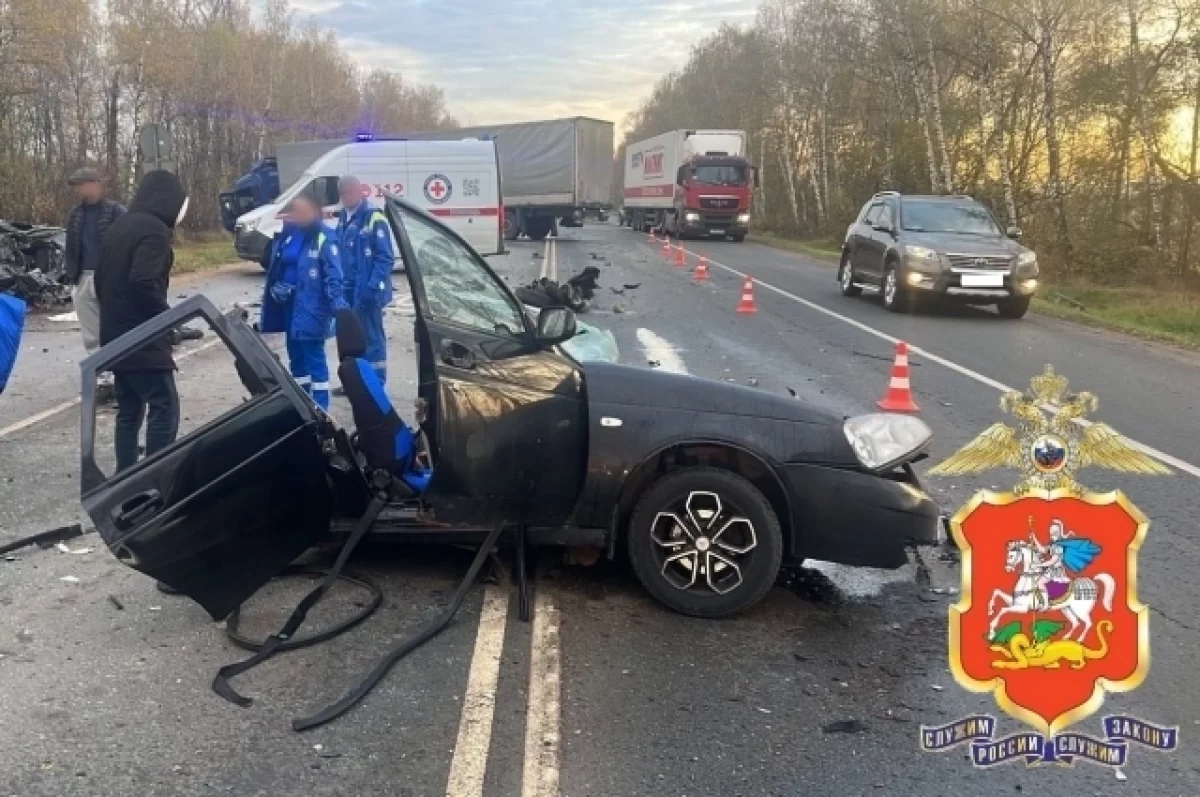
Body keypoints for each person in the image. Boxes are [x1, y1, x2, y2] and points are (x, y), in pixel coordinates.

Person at [96, 169, 188, 473]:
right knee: (164, 405)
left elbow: (100, 280)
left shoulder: (119, 227)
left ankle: (126, 476)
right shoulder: (154, 232)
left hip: (115, 336)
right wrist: (167, 320)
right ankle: (154, 477)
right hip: (143, 337)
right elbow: (143, 280)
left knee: (129, 410)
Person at [261, 193, 348, 409]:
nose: (297, 214)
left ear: (314, 211)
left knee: (314, 358)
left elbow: (333, 276)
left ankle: (321, 409)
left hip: (312, 308)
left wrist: (340, 308)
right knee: (296, 359)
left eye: (303, 210)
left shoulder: (324, 237)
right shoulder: (290, 234)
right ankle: (302, 404)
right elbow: (278, 265)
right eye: (295, 210)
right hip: (290, 306)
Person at [64, 167, 125, 392]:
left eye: (81, 184)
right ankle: (102, 375)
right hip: (83, 276)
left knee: (113, 326)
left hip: (109, 276)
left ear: (94, 183)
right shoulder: (75, 215)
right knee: (91, 331)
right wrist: (72, 277)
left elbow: (126, 242)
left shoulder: (116, 211)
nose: (78, 189)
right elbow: (71, 246)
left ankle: (120, 373)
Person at [336, 176, 394, 382]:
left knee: (372, 339)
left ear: (361, 191)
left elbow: (385, 258)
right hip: (348, 291)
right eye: (344, 193)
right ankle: (356, 381)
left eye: (352, 191)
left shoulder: (373, 217)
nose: (348, 196)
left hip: (368, 291)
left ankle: (377, 384)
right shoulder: (343, 217)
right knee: (350, 340)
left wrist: (372, 287)